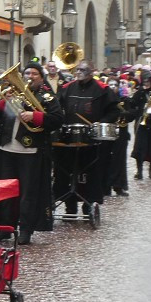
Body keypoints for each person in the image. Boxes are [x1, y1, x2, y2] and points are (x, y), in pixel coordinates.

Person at [0, 63, 63, 245]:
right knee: (4, 191)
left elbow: (57, 119)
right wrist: (4, 101)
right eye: (27, 73)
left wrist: (34, 117)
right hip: (6, 149)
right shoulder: (10, 92)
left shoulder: (47, 97)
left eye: (34, 74)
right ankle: (4, 227)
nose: (30, 76)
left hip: (31, 151)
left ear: (41, 78)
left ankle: (26, 229)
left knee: (28, 193)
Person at [55, 60, 119, 215]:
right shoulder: (66, 88)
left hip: (91, 139)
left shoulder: (103, 90)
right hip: (69, 138)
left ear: (91, 72)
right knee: (67, 172)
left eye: (83, 70)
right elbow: (56, 108)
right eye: (77, 69)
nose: (79, 72)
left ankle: (88, 205)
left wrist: (100, 123)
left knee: (90, 173)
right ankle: (70, 207)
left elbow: (114, 112)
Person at [130, 69, 151, 180]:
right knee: (139, 147)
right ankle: (139, 171)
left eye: (148, 80)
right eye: (144, 81)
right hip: (141, 124)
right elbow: (133, 104)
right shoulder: (140, 92)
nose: (146, 83)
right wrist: (140, 92)